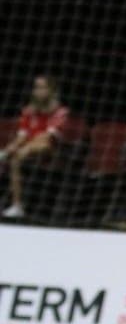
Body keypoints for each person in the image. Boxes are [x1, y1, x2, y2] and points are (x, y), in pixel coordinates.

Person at [1, 74, 70, 219]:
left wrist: (25, 148)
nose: (38, 91)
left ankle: (18, 205)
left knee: (35, 146)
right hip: (26, 149)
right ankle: (17, 206)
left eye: (43, 87)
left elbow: (47, 137)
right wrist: (7, 150)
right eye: (36, 87)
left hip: (51, 151)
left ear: (52, 90)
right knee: (12, 156)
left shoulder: (61, 112)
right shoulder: (28, 111)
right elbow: (21, 136)